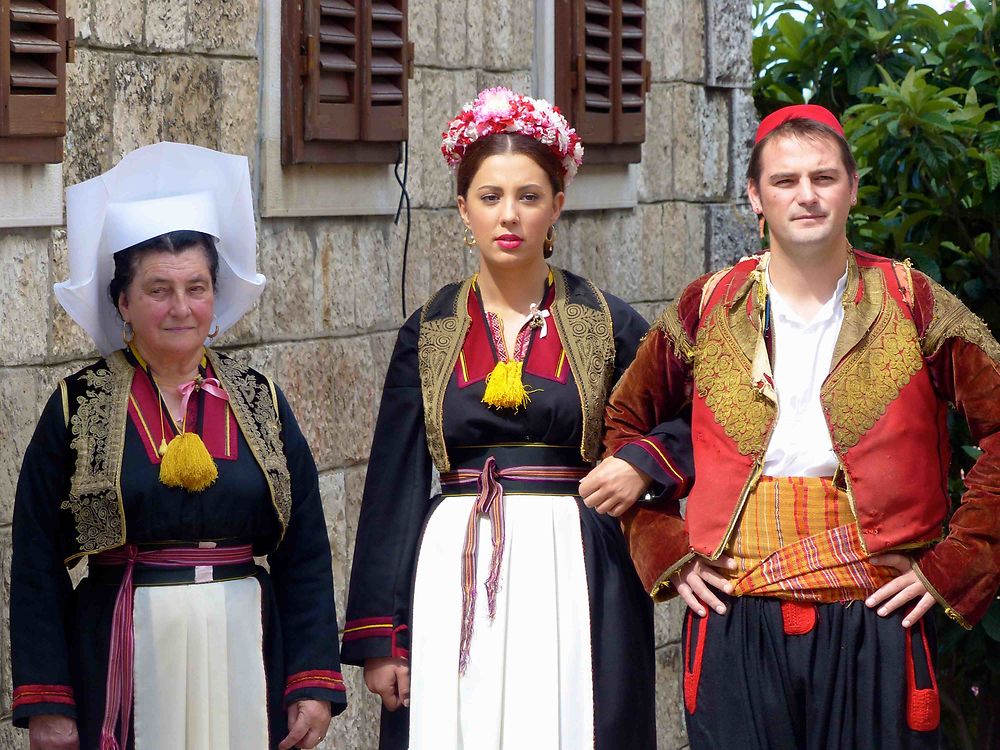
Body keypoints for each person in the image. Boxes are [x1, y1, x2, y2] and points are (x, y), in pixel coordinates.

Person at [588, 104, 1000, 749]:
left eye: (824, 177)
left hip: (875, 613)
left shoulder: (913, 301)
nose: (805, 196)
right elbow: (624, 422)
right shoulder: (706, 306)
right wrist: (663, 546)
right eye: (784, 181)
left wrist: (957, 563)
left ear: (852, 187)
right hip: (733, 614)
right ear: (754, 195)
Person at [341, 87, 691, 750]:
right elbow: (392, 485)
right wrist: (384, 638)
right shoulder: (431, 330)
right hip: (454, 564)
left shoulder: (607, 324)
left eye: (529, 197)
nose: (510, 216)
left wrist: (640, 464)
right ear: (463, 208)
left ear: (557, 206)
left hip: (580, 565)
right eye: (491, 196)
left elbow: (690, 414)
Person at [10, 142, 347, 750]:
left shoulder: (260, 401)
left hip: (244, 644)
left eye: (196, 287)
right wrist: (48, 700)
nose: (180, 307)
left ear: (215, 299)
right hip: (122, 652)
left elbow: (305, 550)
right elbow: (36, 558)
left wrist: (312, 679)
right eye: (158, 289)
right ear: (123, 302)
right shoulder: (77, 405)